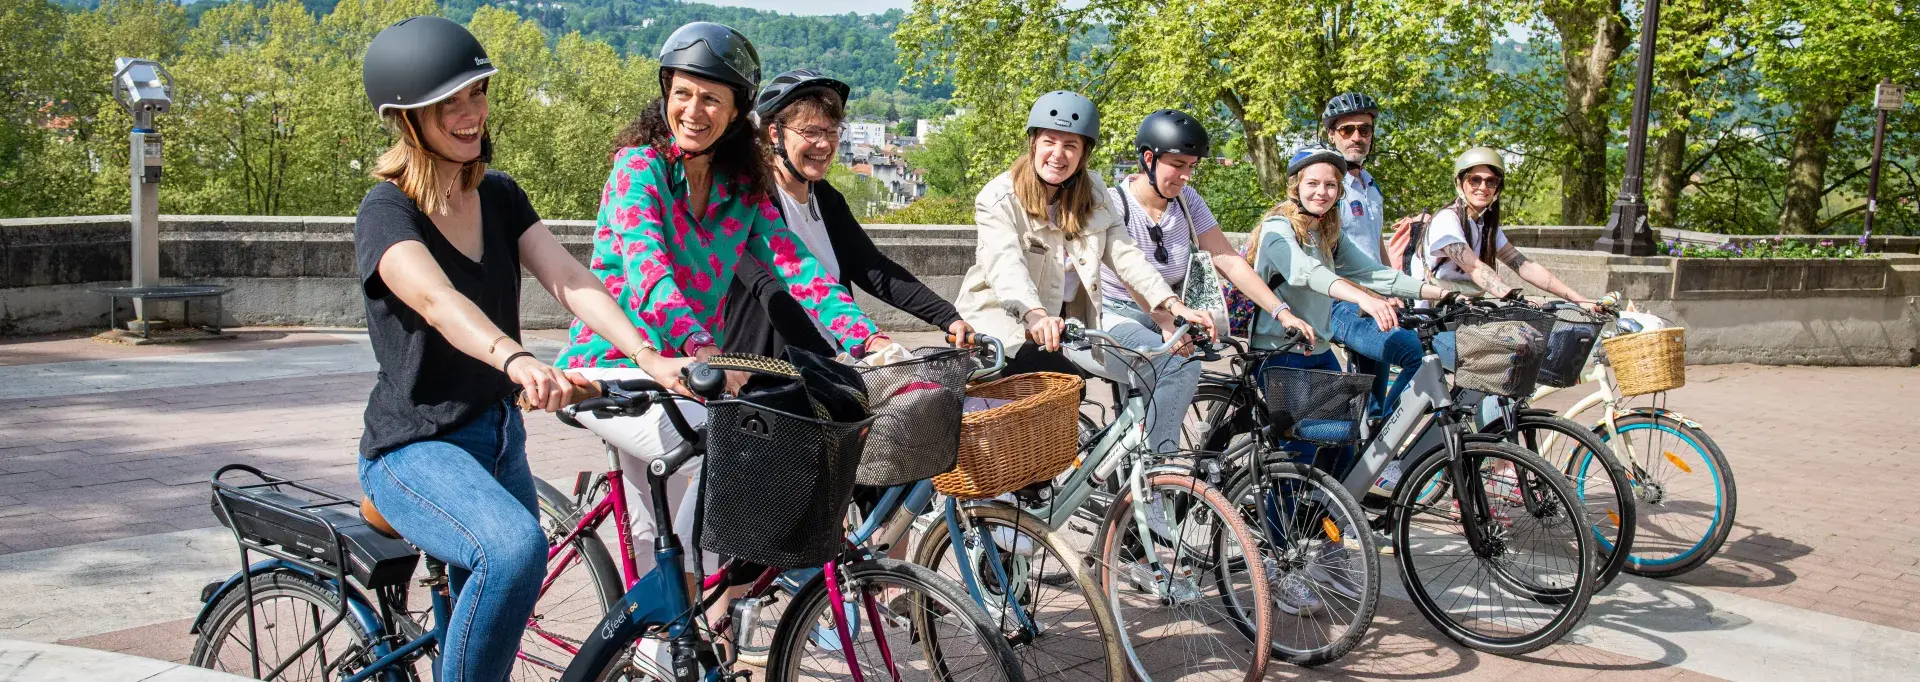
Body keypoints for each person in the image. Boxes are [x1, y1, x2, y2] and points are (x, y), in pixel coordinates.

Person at [351, 17, 677, 682]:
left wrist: (647, 355)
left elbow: (569, 277)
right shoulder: (386, 212)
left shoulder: (497, 196)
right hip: (416, 447)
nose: (471, 114)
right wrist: (516, 359)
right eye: (450, 104)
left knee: (502, 585)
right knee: (513, 551)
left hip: (498, 439)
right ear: (407, 120)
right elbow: (440, 302)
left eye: (477, 93)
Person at [552, 22, 895, 582]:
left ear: (737, 114)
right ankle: (670, 625)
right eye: (681, 94)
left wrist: (866, 338)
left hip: (693, 371)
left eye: (711, 98)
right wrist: (701, 345)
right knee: (728, 454)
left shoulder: (741, 189)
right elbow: (648, 271)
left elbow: (797, 268)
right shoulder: (637, 170)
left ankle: (680, 618)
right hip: (618, 365)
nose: (692, 110)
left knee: (673, 519)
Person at [1246, 146, 1457, 614]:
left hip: (1318, 353)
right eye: (1313, 183)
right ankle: (1279, 565)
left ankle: (1328, 548)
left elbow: (1376, 272)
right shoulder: (1281, 229)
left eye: (1331, 185)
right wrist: (1360, 300)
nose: (1322, 191)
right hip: (1280, 356)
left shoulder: (1327, 232)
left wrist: (1433, 290)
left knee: (1341, 452)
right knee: (1297, 458)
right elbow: (1308, 274)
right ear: (1295, 186)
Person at [954, 91, 1216, 380]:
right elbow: (1006, 267)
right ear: (1033, 143)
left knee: (1075, 389)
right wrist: (1036, 316)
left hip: (1054, 328)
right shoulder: (999, 197)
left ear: (1083, 154)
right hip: (997, 326)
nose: (1057, 154)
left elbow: (1124, 254)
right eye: (1049, 142)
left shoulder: (1092, 192)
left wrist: (1174, 305)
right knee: (1060, 390)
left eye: (1070, 145)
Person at [723, 68, 973, 357]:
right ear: (775, 134)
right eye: (810, 131)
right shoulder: (754, 199)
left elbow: (875, 271)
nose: (825, 144)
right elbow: (774, 289)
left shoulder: (827, 200)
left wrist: (947, 317)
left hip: (833, 361)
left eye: (831, 131)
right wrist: (862, 342)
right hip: (770, 365)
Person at [1099, 108, 1308, 453]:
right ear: (1149, 159)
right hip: (1116, 315)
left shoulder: (1186, 201)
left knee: (1164, 385)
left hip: (1171, 313)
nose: (1186, 176)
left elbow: (1227, 258)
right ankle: (1159, 474)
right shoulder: (1115, 203)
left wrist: (1280, 311)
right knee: (1177, 366)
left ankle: (1135, 467)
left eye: (1191, 167)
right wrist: (1168, 321)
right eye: (1178, 165)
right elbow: (1130, 273)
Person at [1409, 147, 1597, 308]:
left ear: (1498, 188)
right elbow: (1474, 268)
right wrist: (1515, 298)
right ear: (1459, 183)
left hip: (1462, 310)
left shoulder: (1485, 226)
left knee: (1529, 342)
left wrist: (1579, 299)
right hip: (1431, 316)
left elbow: (1524, 265)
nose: (1483, 187)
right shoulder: (1447, 220)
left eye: (1491, 181)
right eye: (1474, 179)